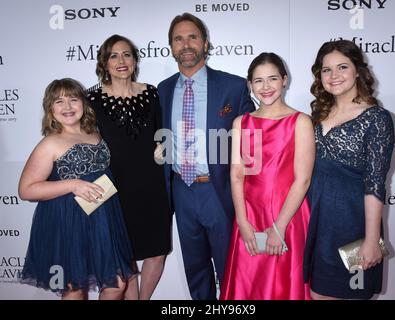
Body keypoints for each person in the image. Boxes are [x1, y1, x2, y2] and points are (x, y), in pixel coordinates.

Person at [157, 13, 255, 299]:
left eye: (192, 37)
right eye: (178, 39)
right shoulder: (161, 91)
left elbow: (252, 145)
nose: (185, 44)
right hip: (181, 191)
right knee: (196, 271)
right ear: (171, 47)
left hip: (220, 190)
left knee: (231, 269)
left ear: (205, 43)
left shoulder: (234, 87)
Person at [18, 78, 136, 300]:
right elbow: (26, 190)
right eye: (59, 101)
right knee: (74, 289)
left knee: (118, 284)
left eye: (73, 99)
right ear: (50, 110)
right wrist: (73, 184)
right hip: (69, 223)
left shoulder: (95, 133)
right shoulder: (50, 143)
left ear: (83, 103)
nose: (68, 107)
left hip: (104, 219)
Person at [303, 40, 395, 300]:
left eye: (342, 67)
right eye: (326, 70)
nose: (334, 76)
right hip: (319, 225)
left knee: (352, 295)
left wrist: (371, 239)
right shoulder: (316, 117)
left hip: (354, 227)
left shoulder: (377, 118)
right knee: (318, 295)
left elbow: (375, 183)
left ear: (357, 71)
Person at [220, 53, 314, 300]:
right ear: (250, 85)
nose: (266, 87)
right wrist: (241, 220)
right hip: (249, 215)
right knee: (249, 285)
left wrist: (279, 226)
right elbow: (237, 173)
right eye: (258, 81)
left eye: (272, 78)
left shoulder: (300, 122)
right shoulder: (242, 122)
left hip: (288, 216)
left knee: (284, 283)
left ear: (284, 80)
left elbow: (302, 179)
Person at [87, 34, 171, 300]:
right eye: (114, 55)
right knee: (126, 256)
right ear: (104, 62)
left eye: (127, 55)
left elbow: (161, 133)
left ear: (135, 60)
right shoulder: (92, 99)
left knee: (157, 252)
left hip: (152, 185)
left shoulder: (151, 92)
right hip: (114, 188)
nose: (121, 61)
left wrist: (163, 150)